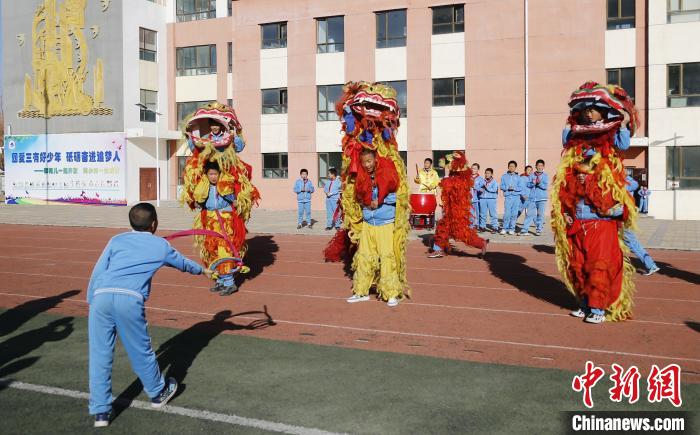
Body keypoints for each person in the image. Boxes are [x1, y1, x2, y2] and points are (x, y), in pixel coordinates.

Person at [87, 203, 213, 427]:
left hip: (101, 297)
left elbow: (99, 270)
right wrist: (202, 270)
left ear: (130, 223)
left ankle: (101, 413)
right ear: (154, 223)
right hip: (129, 299)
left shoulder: (116, 240)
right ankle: (157, 393)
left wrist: (92, 300)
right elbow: (182, 263)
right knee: (141, 351)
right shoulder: (161, 246)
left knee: (99, 355)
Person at [551, 81, 639, 323]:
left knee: (599, 264)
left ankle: (598, 308)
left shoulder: (613, 137)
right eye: (584, 109)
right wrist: (565, 209)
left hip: (602, 216)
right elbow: (565, 168)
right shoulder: (574, 140)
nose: (588, 113)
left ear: (604, 111)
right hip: (577, 214)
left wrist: (623, 112)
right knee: (577, 264)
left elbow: (624, 143)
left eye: (593, 108)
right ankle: (584, 302)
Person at [565, 167, 627, 324]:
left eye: (584, 173)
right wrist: (567, 216)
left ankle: (598, 310)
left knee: (597, 269)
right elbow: (568, 206)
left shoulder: (605, 186)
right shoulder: (575, 190)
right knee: (579, 268)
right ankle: (585, 305)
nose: (580, 176)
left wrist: (608, 211)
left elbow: (622, 207)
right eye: (578, 172)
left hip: (600, 231)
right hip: (580, 230)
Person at [346, 149, 404, 307]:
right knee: (364, 257)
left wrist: (379, 200)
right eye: (364, 162)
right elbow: (358, 197)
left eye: (369, 161)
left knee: (387, 257)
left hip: (385, 222)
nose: (367, 164)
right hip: (368, 223)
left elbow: (397, 196)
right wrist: (364, 202)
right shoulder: (362, 177)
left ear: (375, 160)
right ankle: (361, 291)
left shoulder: (387, 174)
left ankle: (390, 293)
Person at [428, 151, 488, 258]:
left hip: (458, 214)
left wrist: (447, 174)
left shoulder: (461, 180)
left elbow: (449, 185)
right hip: (449, 211)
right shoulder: (454, 178)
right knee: (442, 228)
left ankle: (481, 243)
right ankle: (438, 249)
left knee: (462, 233)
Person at [197, 161, 239, 295]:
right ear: (207, 175)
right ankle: (220, 280)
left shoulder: (225, 186)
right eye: (211, 174)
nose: (213, 177)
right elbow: (198, 202)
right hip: (210, 220)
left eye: (215, 174)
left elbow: (235, 200)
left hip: (224, 220)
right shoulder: (204, 186)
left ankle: (229, 282)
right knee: (212, 250)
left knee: (224, 250)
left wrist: (230, 196)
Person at [520, 159, 548, 236]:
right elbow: (528, 185)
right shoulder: (532, 175)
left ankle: (539, 229)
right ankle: (524, 229)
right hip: (532, 198)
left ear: (543, 167)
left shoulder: (545, 176)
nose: (540, 167)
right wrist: (532, 183)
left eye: (541, 166)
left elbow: (545, 186)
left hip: (541, 198)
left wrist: (539, 184)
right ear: (536, 166)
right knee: (529, 214)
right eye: (538, 165)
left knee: (540, 214)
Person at [500, 161, 521, 235]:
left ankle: (512, 229)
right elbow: (501, 186)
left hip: (516, 197)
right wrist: (507, 188)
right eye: (510, 166)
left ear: (515, 168)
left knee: (514, 214)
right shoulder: (504, 176)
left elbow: (520, 187)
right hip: (508, 197)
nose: (511, 167)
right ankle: (504, 228)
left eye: (513, 166)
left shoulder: (518, 177)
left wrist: (514, 188)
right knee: (507, 214)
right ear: (508, 167)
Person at [478, 168, 499, 232]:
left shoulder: (494, 181)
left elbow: (494, 190)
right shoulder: (482, 181)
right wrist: (480, 188)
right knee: (482, 214)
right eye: (486, 173)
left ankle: (495, 227)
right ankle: (482, 226)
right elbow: (478, 187)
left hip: (491, 199)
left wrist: (487, 187)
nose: (487, 174)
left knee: (493, 214)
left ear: (491, 174)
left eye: (488, 173)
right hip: (483, 199)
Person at [471, 163, 483, 229]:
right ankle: (471, 226)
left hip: (477, 199)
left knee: (478, 213)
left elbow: (482, 190)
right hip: (469, 200)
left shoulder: (481, 179)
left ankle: (478, 225)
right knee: (470, 214)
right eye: (472, 168)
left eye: (474, 169)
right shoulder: (467, 178)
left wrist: (474, 186)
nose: (473, 170)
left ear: (478, 170)